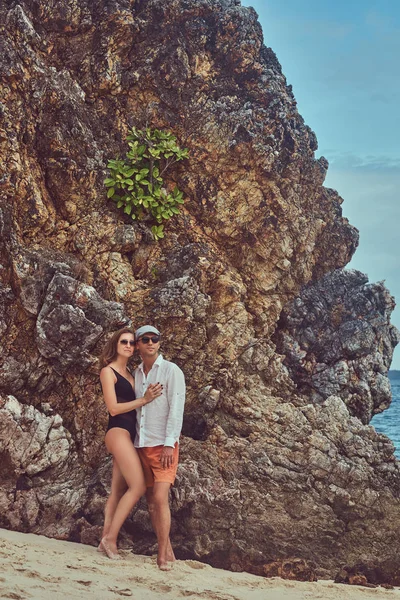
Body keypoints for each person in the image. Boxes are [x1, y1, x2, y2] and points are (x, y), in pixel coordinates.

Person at [98, 327, 163, 560]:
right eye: (123, 342)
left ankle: (103, 539)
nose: (127, 345)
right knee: (137, 486)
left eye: (130, 342)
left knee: (117, 491)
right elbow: (113, 408)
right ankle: (111, 539)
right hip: (117, 432)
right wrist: (143, 399)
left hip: (130, 434)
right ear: (116, 345)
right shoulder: (109, 371)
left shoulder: (133, 374)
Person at [134, 325, 186, 571]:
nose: (151, 343)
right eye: (146, 339)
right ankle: (168, 552)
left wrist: (169, 443)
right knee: (151, 502)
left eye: (155, 339)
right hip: (141, 445)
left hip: (164, 446)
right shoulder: (136, 373)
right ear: (138, 345)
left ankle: (162, 557)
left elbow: (177, 407)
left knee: (160, 498)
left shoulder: (170, 370)